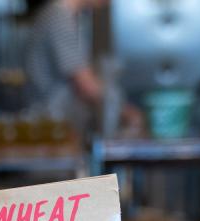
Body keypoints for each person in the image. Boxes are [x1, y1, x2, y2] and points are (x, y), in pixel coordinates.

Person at [24, 0, 141, 131]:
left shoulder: (71, 16)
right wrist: (126, 112)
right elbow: (85, 84)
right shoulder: (59, 17)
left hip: (60, 123)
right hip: (51, 125)